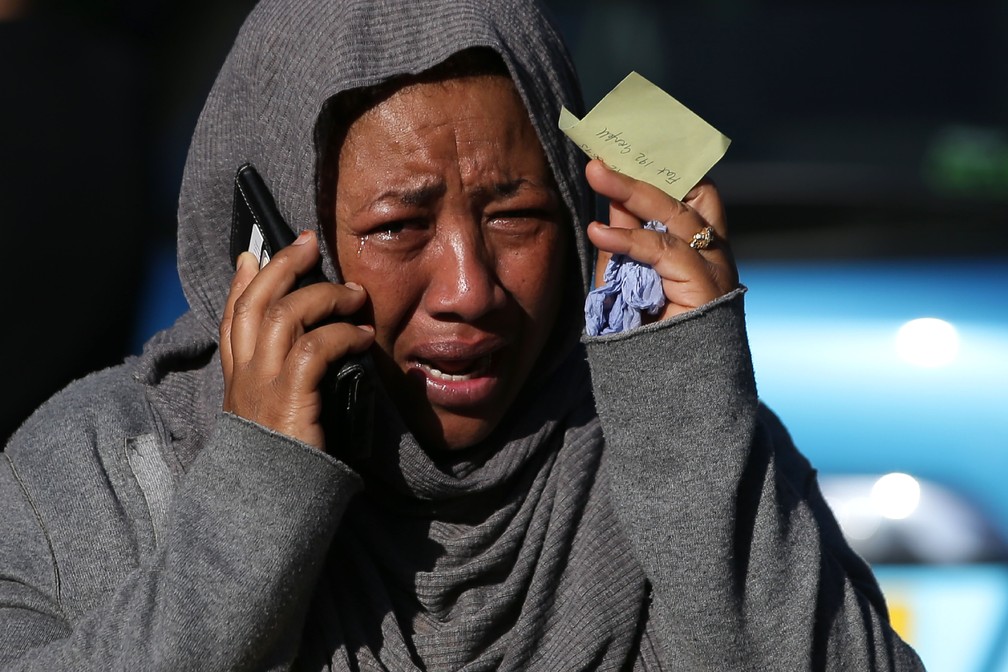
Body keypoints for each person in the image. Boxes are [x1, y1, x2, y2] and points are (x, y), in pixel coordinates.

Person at [0, 0, 925, 669]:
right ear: (270, 242)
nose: (471, 289)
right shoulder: (101, 472)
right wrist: (253, 496)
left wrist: (691, 421)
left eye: (516, 216)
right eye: (400, 228)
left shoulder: (678, 447)